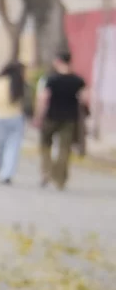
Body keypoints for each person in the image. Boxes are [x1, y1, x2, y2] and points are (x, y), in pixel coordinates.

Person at [36, 43, 88, 189]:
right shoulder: (78, 80)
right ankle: (60, 180)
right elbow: (84, 99)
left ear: (58, 61)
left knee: (45, 144)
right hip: (70, 118)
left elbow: (43, 98)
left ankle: (47, 171)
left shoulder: (51, 79)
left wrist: (39, 116)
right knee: (65, 149)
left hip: (51, 116)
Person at [0, 56, 27, 185]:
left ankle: (1, 171)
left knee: (0, 147)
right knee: (13, 147)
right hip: (16, 118)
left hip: (0, 117)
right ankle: (7, 173)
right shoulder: (20, 84)